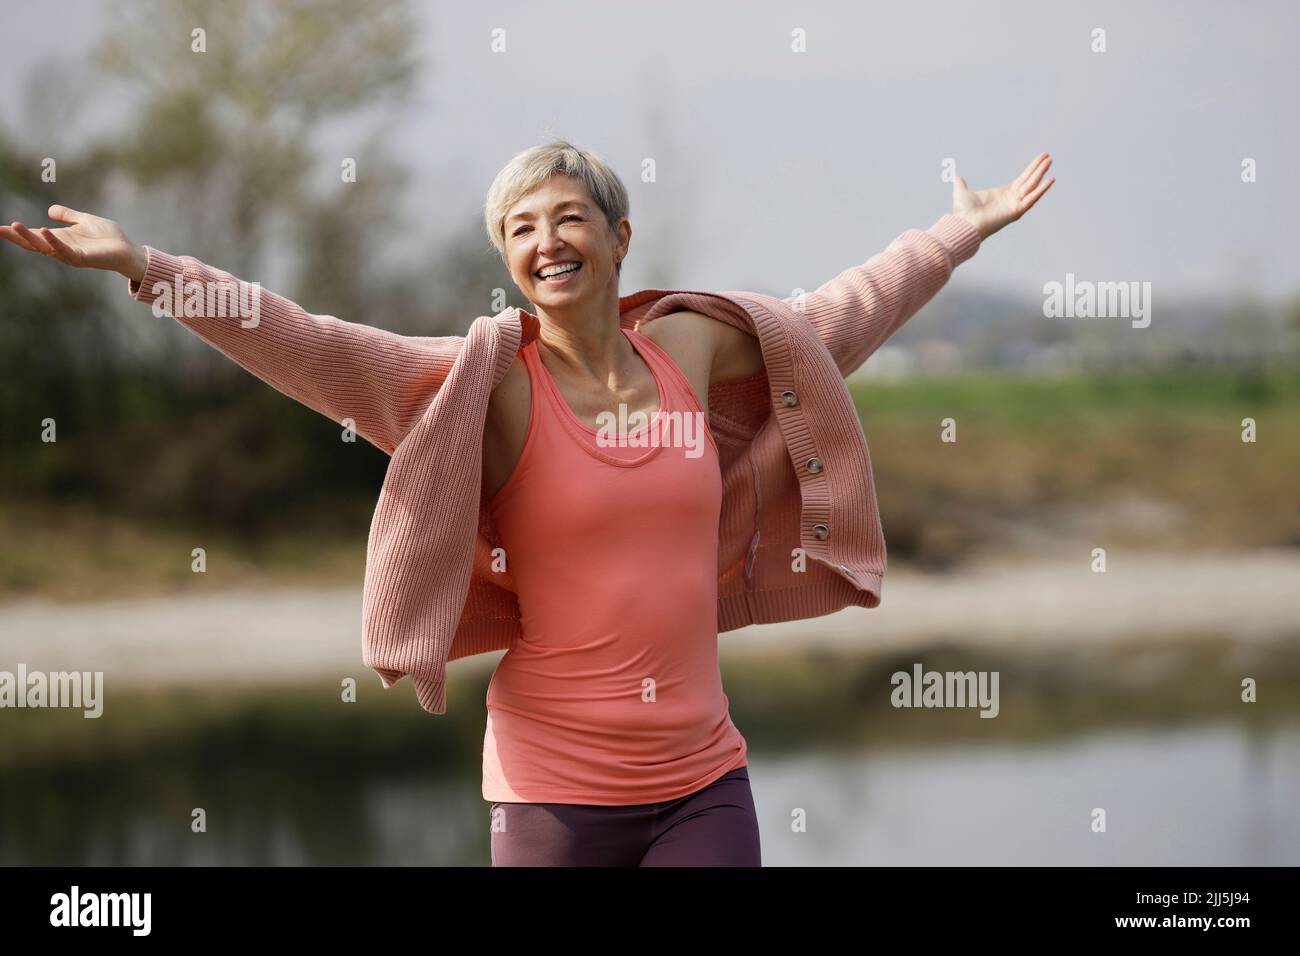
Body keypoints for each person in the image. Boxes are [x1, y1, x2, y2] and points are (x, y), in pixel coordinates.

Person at [1, 141, 1053, 866]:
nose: (544, 239)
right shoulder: (487, 386)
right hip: (551, 785)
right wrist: (149, 267)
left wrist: (954, 235)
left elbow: (837, 317)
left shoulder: (696, 346)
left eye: (566, 216)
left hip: (701, 775)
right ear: (505, 256)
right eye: (519, 227)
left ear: (619, 235)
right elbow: (308, 342)